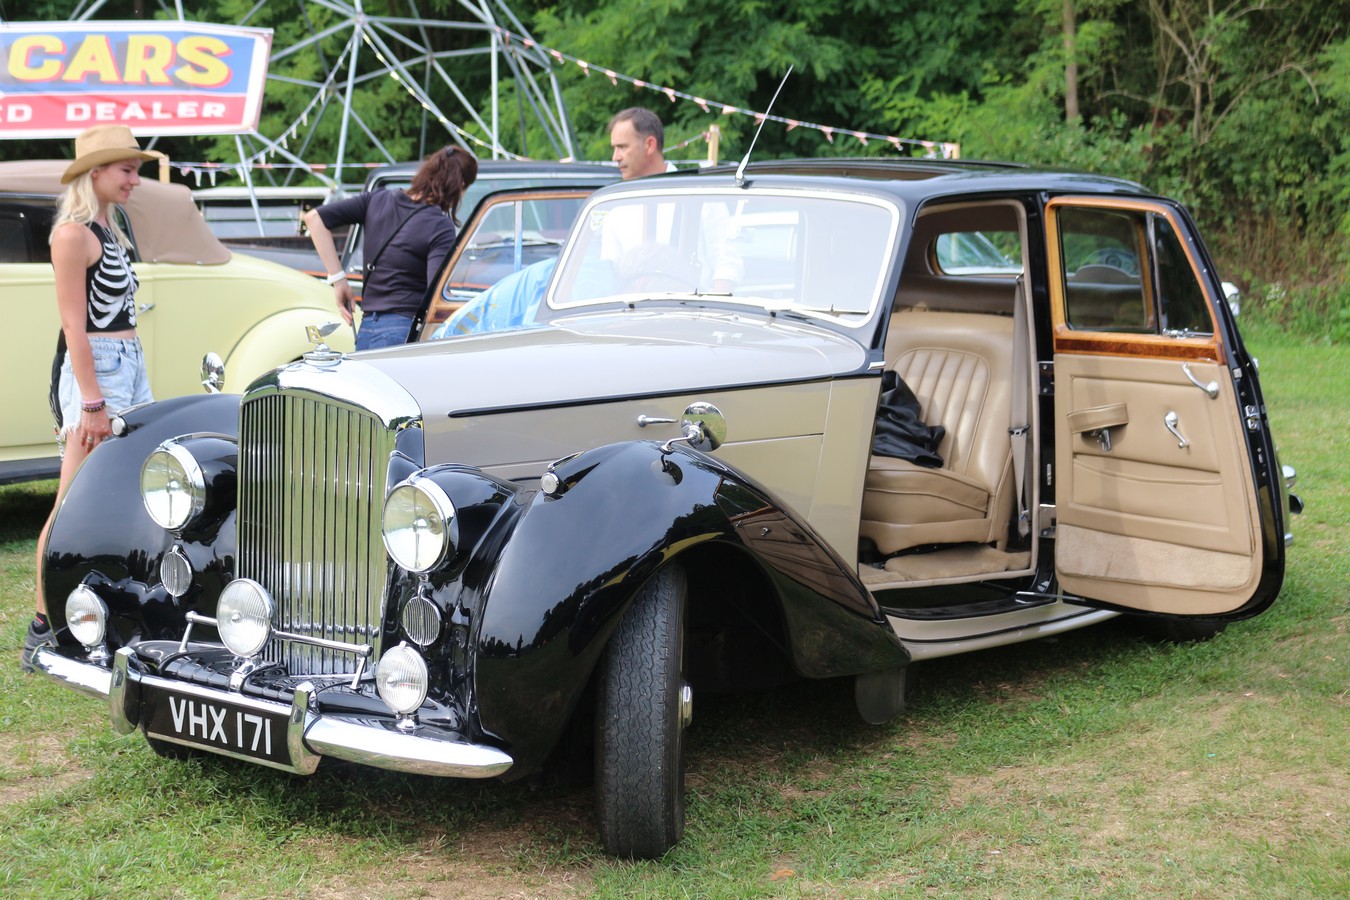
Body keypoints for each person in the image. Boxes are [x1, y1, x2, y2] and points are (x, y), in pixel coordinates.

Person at [23, 125, 160, 672]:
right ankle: (41, 626)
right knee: (70, 500)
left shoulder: (112, 228)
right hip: (96, 371)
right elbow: (74, 329)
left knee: (126, 489)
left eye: (135, 168)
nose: (135, 178)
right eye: (125, 168)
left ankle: (100, 614)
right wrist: (93, 402)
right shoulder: (72, 234)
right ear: (95, 172)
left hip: (129, 364)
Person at [304, 146, 478, 350]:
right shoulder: (439, 225)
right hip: (404, 331)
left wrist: (338, 280)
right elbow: (435, 297)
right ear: (460, 185)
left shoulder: (376, 199)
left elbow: (314, 218)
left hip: (366, 328)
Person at [603, 108, 741, 293]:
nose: (615, 157)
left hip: (694, 315)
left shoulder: (700, 195)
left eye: (622, 147)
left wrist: (714, 316)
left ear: (650, 145)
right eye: (614, 148)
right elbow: (609, 276)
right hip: (634, 316)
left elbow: (727, 264)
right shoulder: (616, 208)